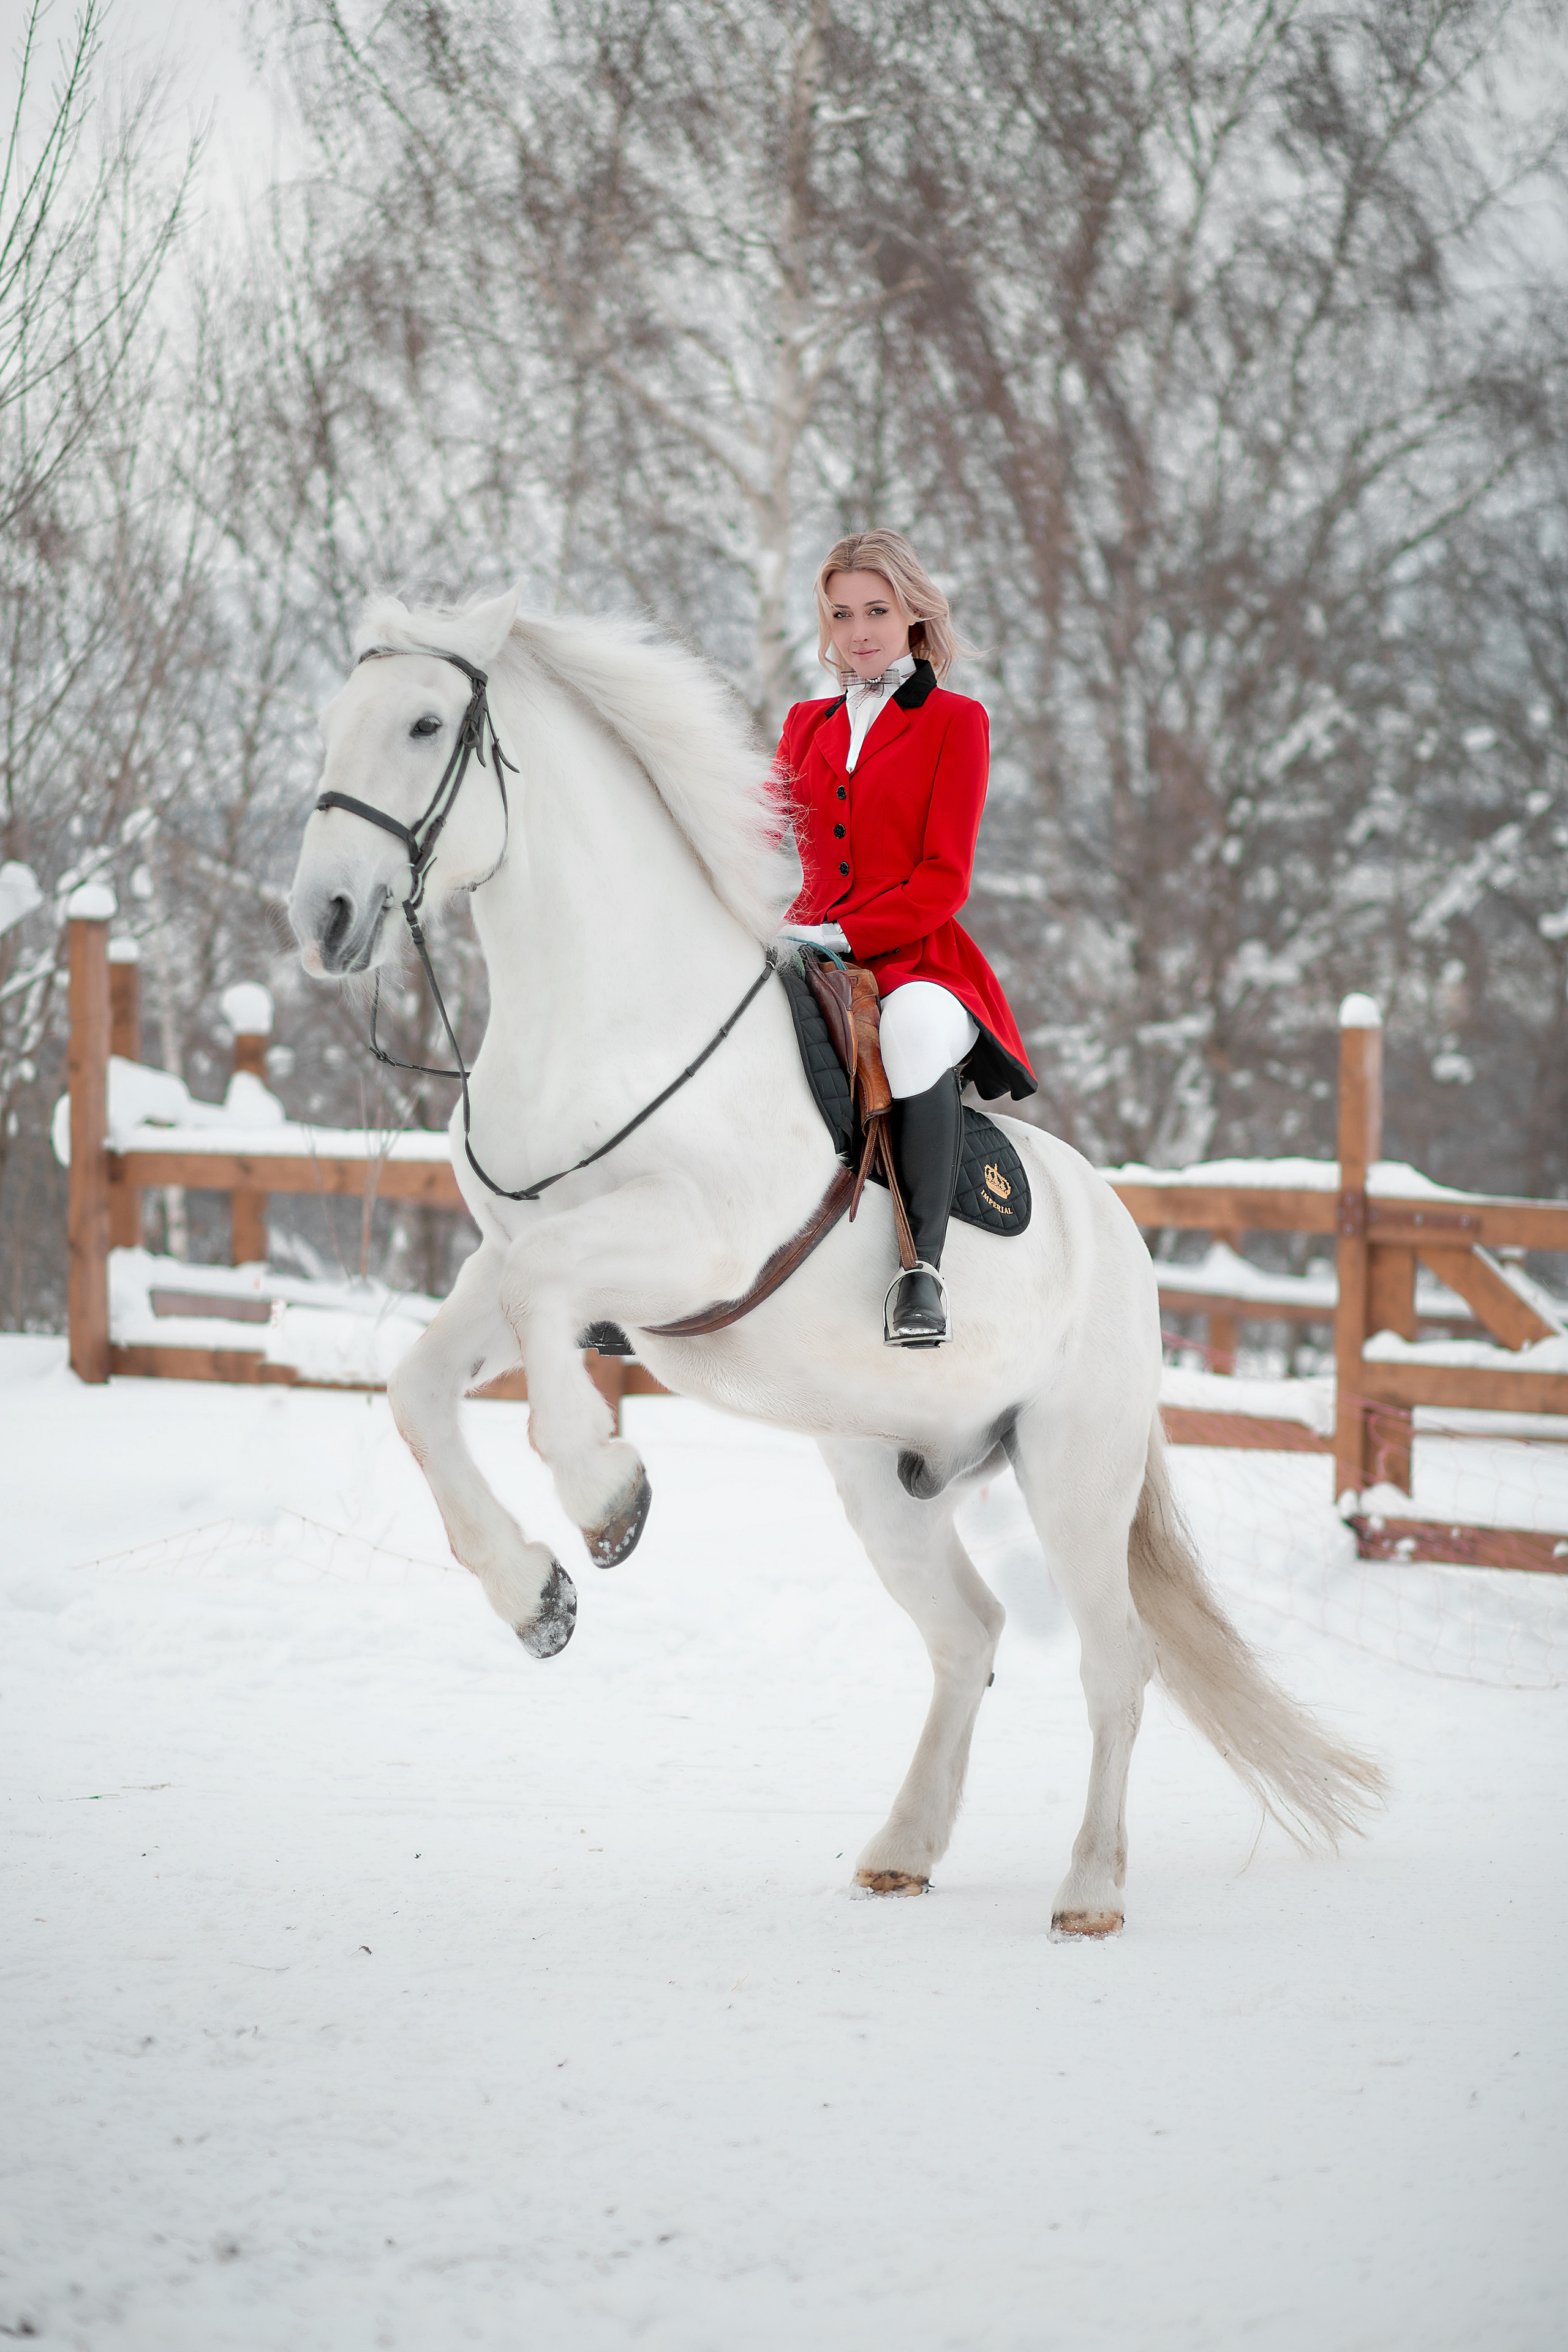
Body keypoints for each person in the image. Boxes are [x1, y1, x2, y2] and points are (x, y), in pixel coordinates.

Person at [775, 529, 1037, 1348]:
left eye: (877, 611)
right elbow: (755, 828)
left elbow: (942, 879)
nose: (859, 631)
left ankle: (919, 1269)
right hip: (806, 942)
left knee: (916, 1031)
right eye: (843, 612)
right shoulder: (804, 724)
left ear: (913, 614)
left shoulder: (957, 722)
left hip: (918, 958)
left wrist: (841, 932)